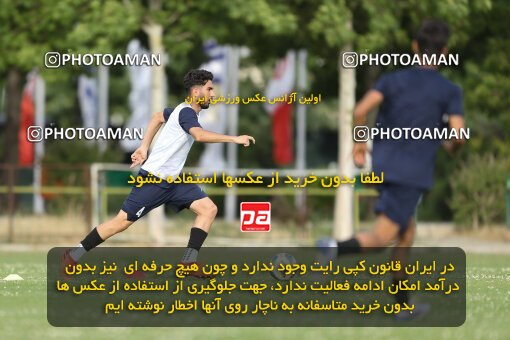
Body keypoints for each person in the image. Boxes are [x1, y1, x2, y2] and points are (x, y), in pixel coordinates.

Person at [319, 19, 465, 318]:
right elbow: (457, 134)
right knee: (383, 235)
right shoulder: (449, 90)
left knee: (406, 233)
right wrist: (451, 146)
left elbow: (360, 111)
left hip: (383, 167)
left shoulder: (391, 80)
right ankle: (333, 248)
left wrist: (360, 145)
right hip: (411, 174)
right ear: (445, 51)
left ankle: (402, 305)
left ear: (414, 47)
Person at [63, 69, 255, 278]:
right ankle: (73, 255)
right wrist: (234, 139)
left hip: (172, 181)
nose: (213, 93)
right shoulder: (186, 113)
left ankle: (188, 263)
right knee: (120, 223)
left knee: (208, 209)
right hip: (153, 181)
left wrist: (144, 147)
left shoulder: (179, 111)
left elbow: (157, 117)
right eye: (209, 89)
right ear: (196, 91)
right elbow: (199, 136)